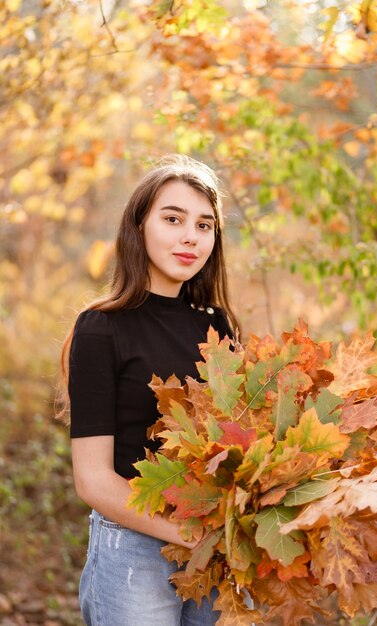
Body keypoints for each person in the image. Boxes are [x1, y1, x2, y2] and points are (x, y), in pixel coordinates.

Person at [58, 155, 239, 626]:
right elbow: (92, 479)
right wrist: (185, 532)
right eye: (173, 219)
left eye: (204, 225)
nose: (190, 237)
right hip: (133, 552)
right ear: (139, 227)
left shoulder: (218, 326)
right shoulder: (101, 329)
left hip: (216, 548)